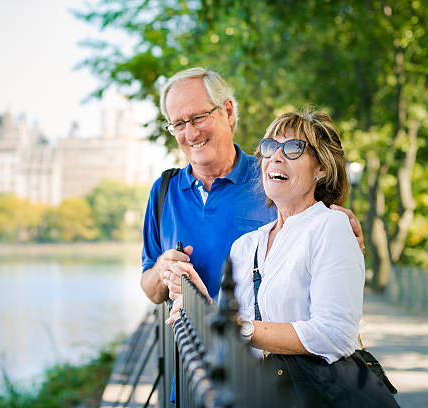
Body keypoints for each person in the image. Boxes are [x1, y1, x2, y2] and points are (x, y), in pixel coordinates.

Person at [168, 110, 398, 407]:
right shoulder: (245, 246)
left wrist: (238, 327)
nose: (276, 157)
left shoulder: (331, 226)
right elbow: (236, 332)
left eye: (293, 148)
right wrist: (205, 307)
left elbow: (335, 335)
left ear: (322, 169)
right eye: (269, 147)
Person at [141, 67, 364, 305]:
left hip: (271, 340)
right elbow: (151, 291)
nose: (191, 132)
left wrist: (349, 246)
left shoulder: (277, 180)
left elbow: (328, 259)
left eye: (198, 118)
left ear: (228, 112)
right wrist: (163, 268)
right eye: (178, 124)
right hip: (190, 340)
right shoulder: (163, 190)